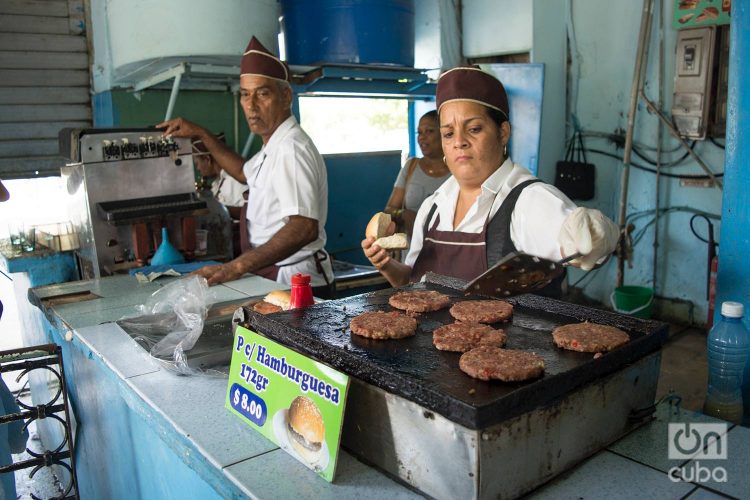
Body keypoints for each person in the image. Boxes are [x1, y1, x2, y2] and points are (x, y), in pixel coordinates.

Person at [362, 66, 619, 295]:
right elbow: (413, 286)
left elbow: (582, 245)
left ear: (503, 132)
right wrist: (387, 265)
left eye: (474, 129)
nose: (459, 141)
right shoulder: (433, 208)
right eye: (448, 133)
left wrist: (596, 238)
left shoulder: (528, 200)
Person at [158, 36, 334, 297]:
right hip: (275, 276)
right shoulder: (272, 146)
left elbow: (303, 227)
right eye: (245, 95)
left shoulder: (291, 148)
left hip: (296, 282)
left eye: (262, 93)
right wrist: (201, 134)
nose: (251, 106)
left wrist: (236, 267)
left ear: (286, 96)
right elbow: (242, 172)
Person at [384, 110, 450, 238]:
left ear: (445, 134)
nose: (421, 137)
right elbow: (389, 209)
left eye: (429, 131)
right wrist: (403, 214)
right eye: (419, 132)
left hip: (446, 248)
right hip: (411, 251)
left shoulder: (459, 171)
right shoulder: (411, 166)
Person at [193, 132, 247, 220]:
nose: (198, 168)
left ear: (207, 159)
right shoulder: (217, 182)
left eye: (197, 163)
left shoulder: (235, 180)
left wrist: (214, 209)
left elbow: (247, 212)